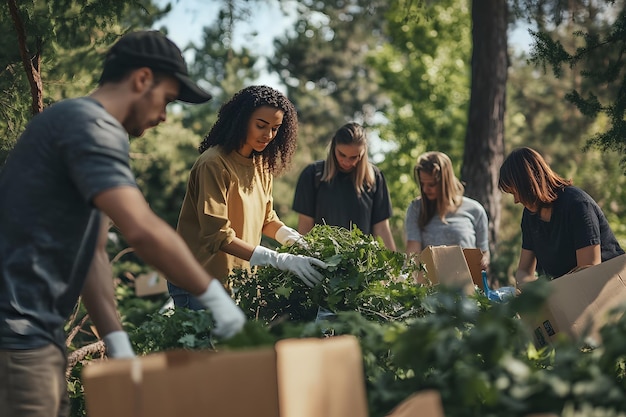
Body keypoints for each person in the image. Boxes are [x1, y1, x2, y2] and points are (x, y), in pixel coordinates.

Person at [0, 30, 246, 417]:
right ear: (142, 79)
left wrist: (117, 341)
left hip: (35, 336)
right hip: (17, 335)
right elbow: (141, 228)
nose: (165, 116)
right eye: (166, 99)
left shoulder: (77, 125)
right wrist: (213, 298)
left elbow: (93, 252)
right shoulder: (91, 125)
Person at [168, 85, 328, 310]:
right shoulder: (213, 164)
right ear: (241, 120)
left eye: (275, 128)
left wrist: (294, 240)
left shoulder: (262, 165)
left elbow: (267, 219)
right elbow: (217, 235)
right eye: (261, 126)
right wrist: (279, 259)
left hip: (237, 284)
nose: (269, 135)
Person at [498, 146, 624, 288]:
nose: (516, 200)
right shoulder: (529, 216)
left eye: (516, 192)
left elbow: (589, 270)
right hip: (567, 293)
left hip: (608, 291)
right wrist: (530, 291)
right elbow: (524, 271)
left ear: (529, 184)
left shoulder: (578, 205)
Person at [292, 122, 396, 250]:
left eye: (354, 157)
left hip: (361, 262)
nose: (347, 162)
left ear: (363, 153)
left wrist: (392, 266)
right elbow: (305, 227)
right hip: (322, 259)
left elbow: (381, 228)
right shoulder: (312, 175)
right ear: (333, 147)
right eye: (342, 155)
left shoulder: (374, 178)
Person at [404, 151, 490, 270]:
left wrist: (484, 261)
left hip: (466, 284)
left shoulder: (475, 210)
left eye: (432, 184)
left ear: (445, 182)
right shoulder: (416, 209)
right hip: (430, 285)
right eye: (422, 183)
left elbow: (484, 253)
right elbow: (413, 253)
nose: (425, 189)